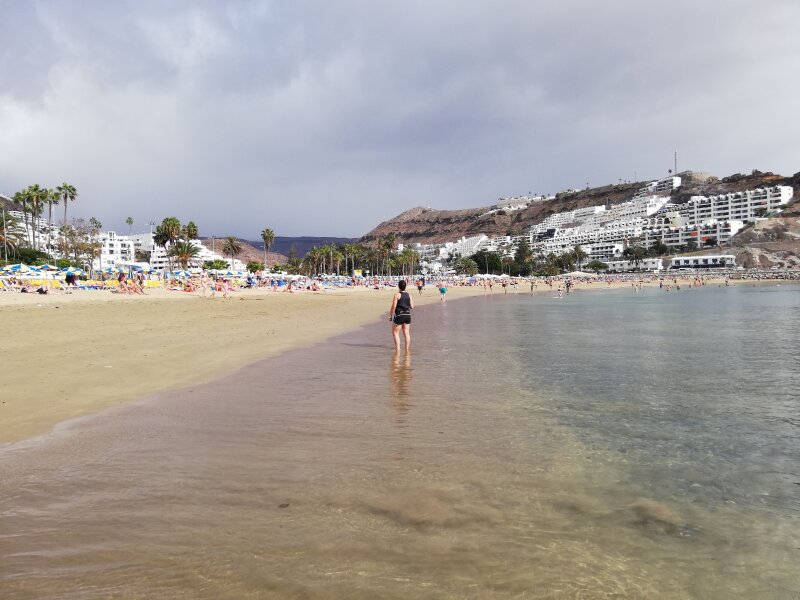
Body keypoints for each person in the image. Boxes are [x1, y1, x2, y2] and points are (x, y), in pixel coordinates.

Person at [389, 279, 414, 352]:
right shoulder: (409, 295)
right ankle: (407, 350)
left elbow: (394, 306)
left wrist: (390, 315)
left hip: (399, 315)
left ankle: (398, 350)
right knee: (406, 333)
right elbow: (412, 306)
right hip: (407, 315)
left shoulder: (397, 295)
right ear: (405, 287)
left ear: (398, 286)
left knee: (395, 333)